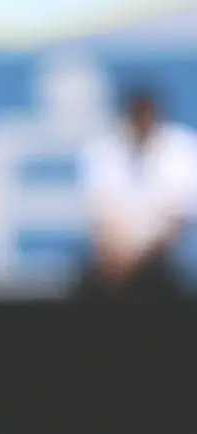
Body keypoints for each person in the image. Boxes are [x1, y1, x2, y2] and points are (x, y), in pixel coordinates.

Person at [79, 86, 197, 298]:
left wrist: (136, 260)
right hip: (112, 259)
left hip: (162, 260)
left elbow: (177, 221)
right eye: (136, 115)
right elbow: (101, 215)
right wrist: (117, 255)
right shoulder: (103, 148)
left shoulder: (182, 148)